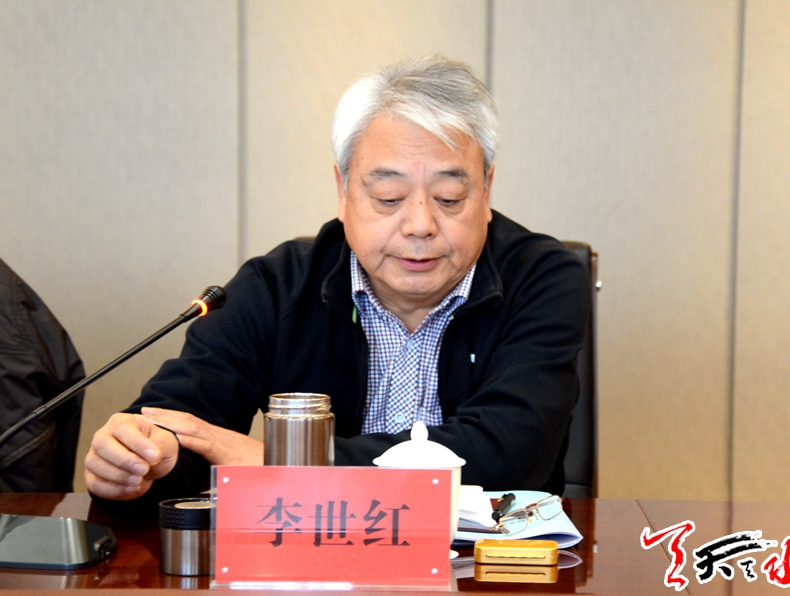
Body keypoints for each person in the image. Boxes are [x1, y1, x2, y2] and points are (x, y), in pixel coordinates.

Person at [85, 55, 591, 506]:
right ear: (343, 190)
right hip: (310, 560)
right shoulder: (277, 285)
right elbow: (184, 421)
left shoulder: (542, 279)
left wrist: (282, 464)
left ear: (486, 190)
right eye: (389, 198)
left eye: (449, 199)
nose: (420, 225)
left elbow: (506, 455)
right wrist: (142, 459)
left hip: (491, 564)